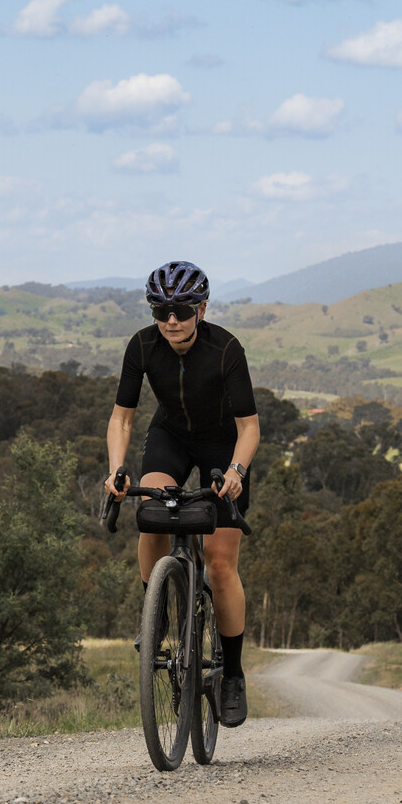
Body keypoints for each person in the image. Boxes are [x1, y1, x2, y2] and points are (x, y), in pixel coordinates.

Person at [104, 260, 259, 726]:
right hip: (170, 435)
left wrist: (236, 470)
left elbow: (249, 428)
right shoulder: (143, 345)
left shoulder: (226, 348)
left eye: (182, 309)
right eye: (161, 309)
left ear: (202, 308)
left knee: (219, 562)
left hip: (222, 443)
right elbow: (123, 417)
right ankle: (158, 615)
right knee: (152, 503)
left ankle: (231, 674)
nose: (171, 319)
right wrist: (116, 469)